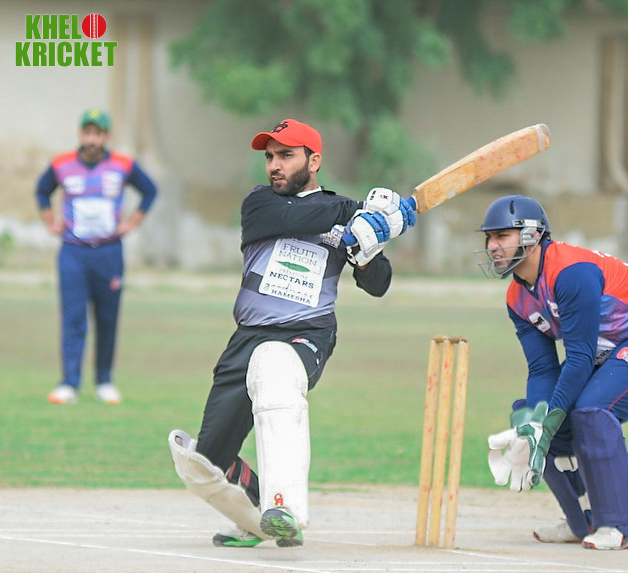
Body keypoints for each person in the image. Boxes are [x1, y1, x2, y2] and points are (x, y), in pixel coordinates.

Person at [168, 118, 415, 548]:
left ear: (314, 161)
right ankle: (257, 519)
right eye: (270, 157)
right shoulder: (261, 204)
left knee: (277, 371)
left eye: (286, 155)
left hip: (307, 333)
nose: (274, 165)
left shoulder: (343, 214)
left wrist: (368, 246)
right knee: (208, 462)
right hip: (249, 334)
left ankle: (285, 506)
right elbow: (298, 216)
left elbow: (379, 284)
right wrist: (365, 213)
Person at [477, 195, 628, 550]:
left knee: (591, 411)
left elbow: (580, 358)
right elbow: (542, 368)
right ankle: (582, 522)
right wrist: (535, 423)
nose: (493, 246)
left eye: (502, 236)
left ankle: (618, 526)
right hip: (612, 344)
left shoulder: (570, 273)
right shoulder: (516, 298)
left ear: (533, 235)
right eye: (489, 238)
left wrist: (545, 422)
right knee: (534, 415)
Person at [36, 108, 158, 405]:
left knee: (107, 317)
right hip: (74, 252)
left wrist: (133, 222)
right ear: (81, 133)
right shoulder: (62, 164)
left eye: (98, 134)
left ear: (107, 136)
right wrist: (51, 221)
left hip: (108, 252)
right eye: (88, 133)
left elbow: (150, 190)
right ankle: (69, 383)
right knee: (73, 317)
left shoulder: (123, 164)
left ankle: (104, 381)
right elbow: (42, 191)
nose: (92, 140)